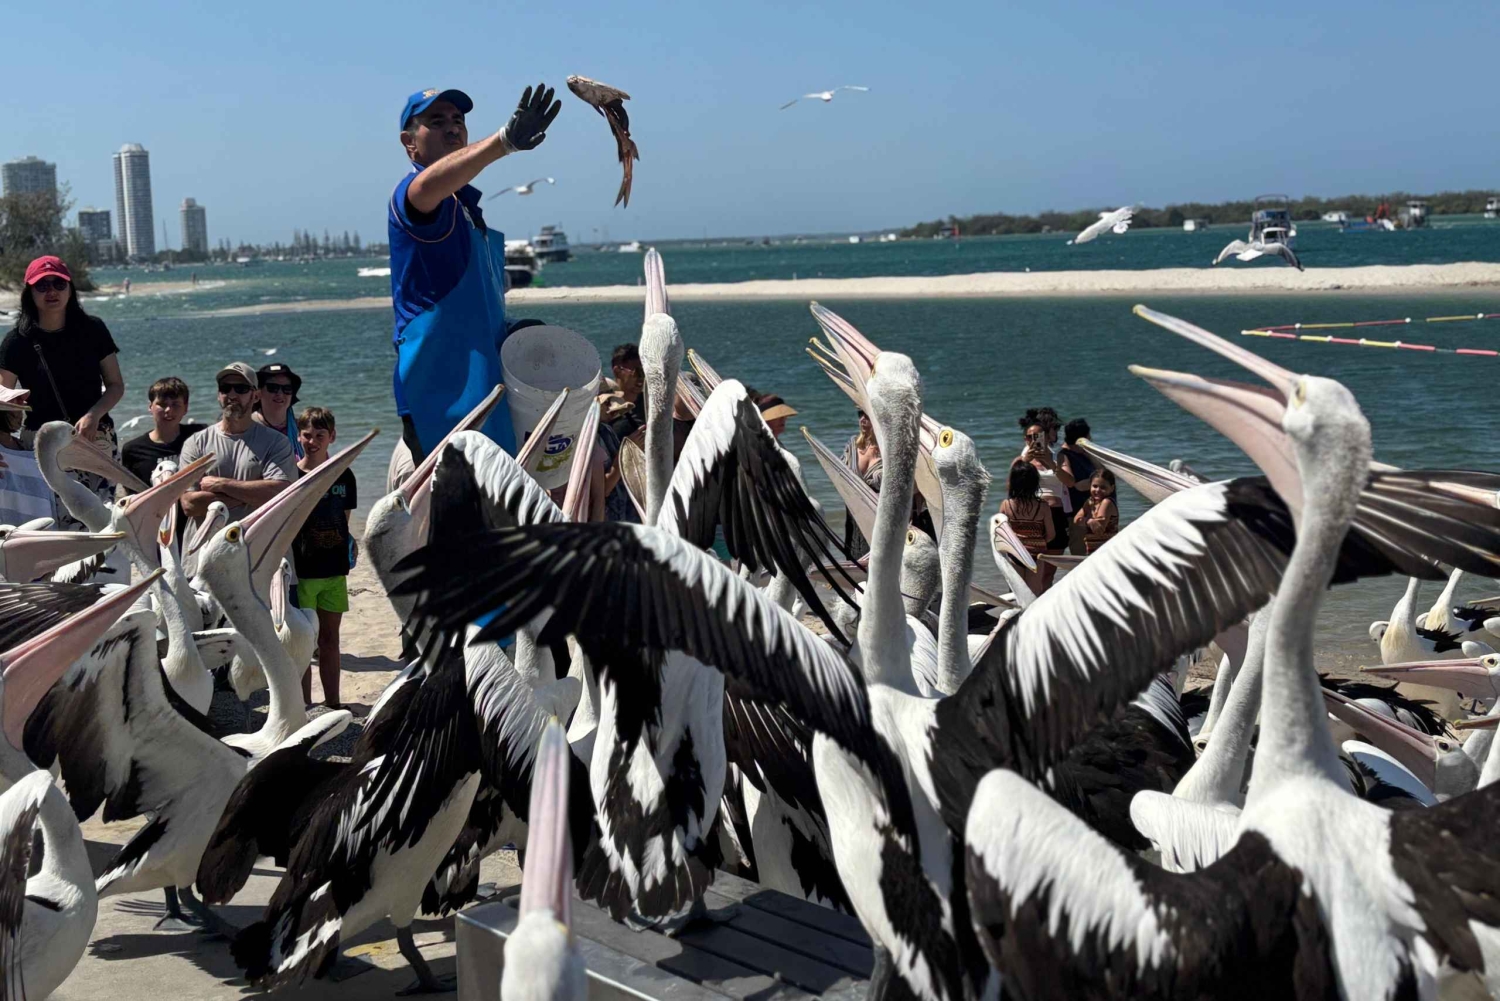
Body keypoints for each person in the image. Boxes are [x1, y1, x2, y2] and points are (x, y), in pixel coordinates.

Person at [389, 83, 561, 464]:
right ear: (409, 142)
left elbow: (469, 309)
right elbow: (426, 186)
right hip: (438, 396)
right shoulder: (414, 197)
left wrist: (509, 330)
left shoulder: (466, 209)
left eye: (458, 119)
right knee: (459, 520)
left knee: (498, 517)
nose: (452, 127)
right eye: (436, 121)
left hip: (483, 390)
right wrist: (505, 141)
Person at [0, 256, 127, 529]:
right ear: (29, 293)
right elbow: (2, 397)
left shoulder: (93, 329)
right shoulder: (16, 342)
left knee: (103, 522)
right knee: (63, 524)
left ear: (70, 287)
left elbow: (116, 385)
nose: (51, 291)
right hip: (44, 446)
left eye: (58, 283)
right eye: (42, 286)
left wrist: (94, 415)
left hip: (97, 438)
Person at [291, 407, 357, 710]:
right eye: (307, 435)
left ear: (332, 437)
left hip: (334, 572)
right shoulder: (291, 474)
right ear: (298, 435)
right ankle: (303, 703)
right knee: (304, 643)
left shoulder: (345, 474)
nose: (312, 441)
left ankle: (333, 703)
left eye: (320, 435)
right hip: (302, 573)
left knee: (330, 640)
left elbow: (344, 521)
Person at [179, 362, 297, 523]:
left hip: (257, 545)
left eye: (241, 389)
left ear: (256, 396)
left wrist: (222, 485)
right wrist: (251, 495)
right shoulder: (196, 443)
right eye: (225, 388)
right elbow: (189, 505)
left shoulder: (277, 443)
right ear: (218, 394)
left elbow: (281, 495)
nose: (232, 395)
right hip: (204, 546)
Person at [121, 377, 208, 492]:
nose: (168, 410)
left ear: (185, 408)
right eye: (162, 404)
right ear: (150, 406)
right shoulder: (133, 450)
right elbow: (132, 494)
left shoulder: (199, 435)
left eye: (175, 404)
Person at [1017, 419, 1074, 563]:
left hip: (1055, 514)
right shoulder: (1021, 461)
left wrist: (1052, 465)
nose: (1033, 440)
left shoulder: (1059, 458)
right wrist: (1025, 463)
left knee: (1050, 568)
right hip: (1032, 514)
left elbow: (1070, 482)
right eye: (1030, 437)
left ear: (1047, 437)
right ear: (1025, 439)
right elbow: (1011, 487)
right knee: (1033, 565)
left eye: (1038, 436)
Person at [1000, 461, 1054, 595]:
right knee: (1033, 593)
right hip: (1036, 555)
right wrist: (1039, 542)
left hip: (1015, 553)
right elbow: (1051, 534)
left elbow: (1001, 534)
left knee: (1016, 595)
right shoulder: (1043, 506)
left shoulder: (1007, 505)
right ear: (1035, 482)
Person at [0, 407, 55, 526]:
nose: (20, 416)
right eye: (12, 413)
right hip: (9, 530)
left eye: (20, 411)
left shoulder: (25, 445)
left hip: (42, 523)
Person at [1057, 417, 1096, 554]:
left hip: (1094, 511)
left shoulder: (1086, 454)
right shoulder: (1064, 455)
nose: (1091, 438)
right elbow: (1075, 484)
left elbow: (1105, 473)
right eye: (1088, 436)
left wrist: (1089, 452)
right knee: (1080, 554)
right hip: (1077, 513)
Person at [253, 363, 304, 460]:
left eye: (287, 389)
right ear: (258, 393)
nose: (280, 393)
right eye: (273, 388)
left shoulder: (302, 430)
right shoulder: (248, 427)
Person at [599, 343, 645, 441]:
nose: (642, 377)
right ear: (617, 372)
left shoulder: (650, 405)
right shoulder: (606, 409)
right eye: (637, 372)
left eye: (645, 371)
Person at [1074, 469, 1119, 555]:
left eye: (1103, 487)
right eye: (1095, 486)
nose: (1097, 490)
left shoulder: (1107, 502)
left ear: (1112, 488)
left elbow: (1098, 528)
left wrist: (1086, 521)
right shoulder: (1090, 502)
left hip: (1106, 552)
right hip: (1093, 551)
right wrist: (1089, 521)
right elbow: (1076, 519)